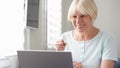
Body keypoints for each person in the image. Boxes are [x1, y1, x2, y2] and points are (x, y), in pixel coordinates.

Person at [55, 0, 118, 68]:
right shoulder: (64, 38)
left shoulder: (107, 39)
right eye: (74, 16)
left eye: (83, 16)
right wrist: (58, 54)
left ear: (92, 15)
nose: (78, 21)